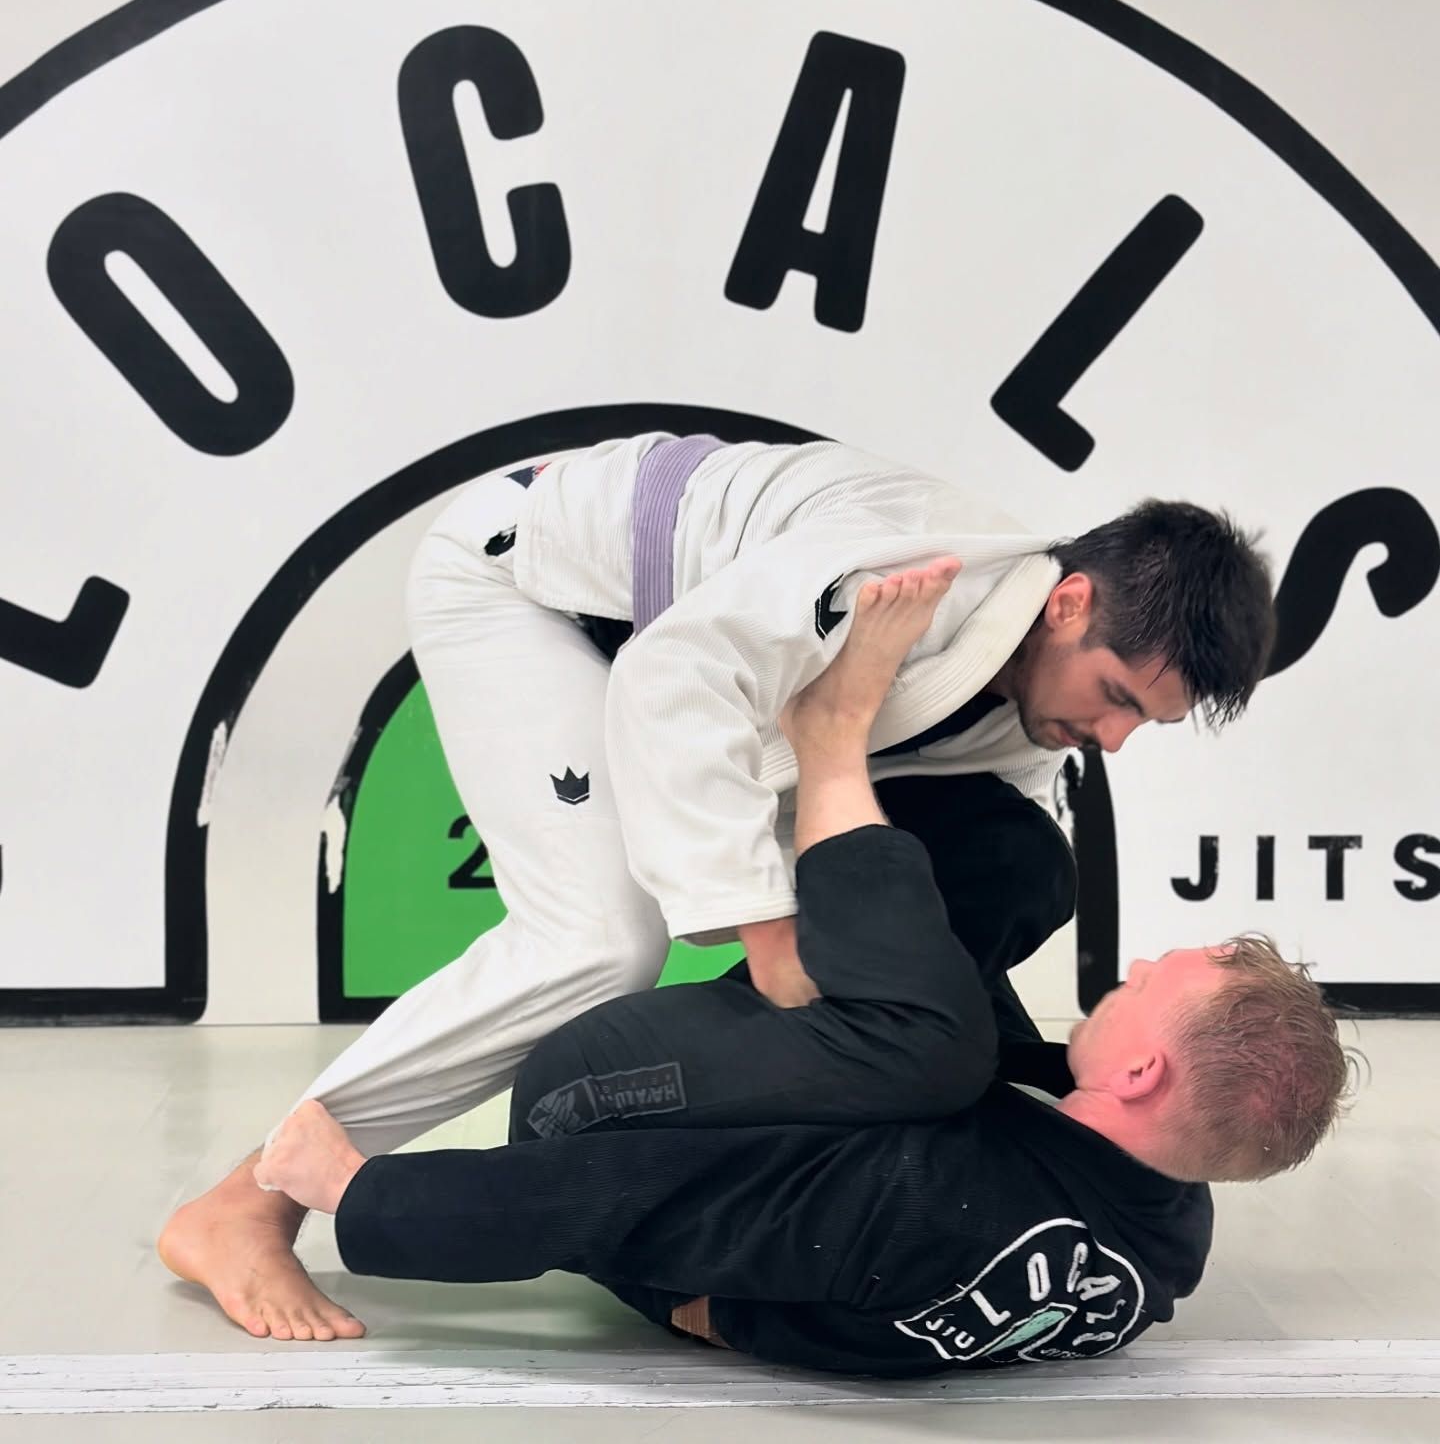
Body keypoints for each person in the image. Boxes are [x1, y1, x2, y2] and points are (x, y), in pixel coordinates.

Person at [159, 431, 1276, 1338]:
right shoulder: (902, 581)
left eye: (1145, 722)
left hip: (707, 679)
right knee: (602, 938)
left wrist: (937, 1060)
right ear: (1072, 602)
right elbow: (672, 680)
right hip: (538, 593)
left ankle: (820, 1056)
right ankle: (252, 1195)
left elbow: (940, 867)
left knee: (1016, 854)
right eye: (1119, 695)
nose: (1115, 738)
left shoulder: (1029, 692)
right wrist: (765, 934)